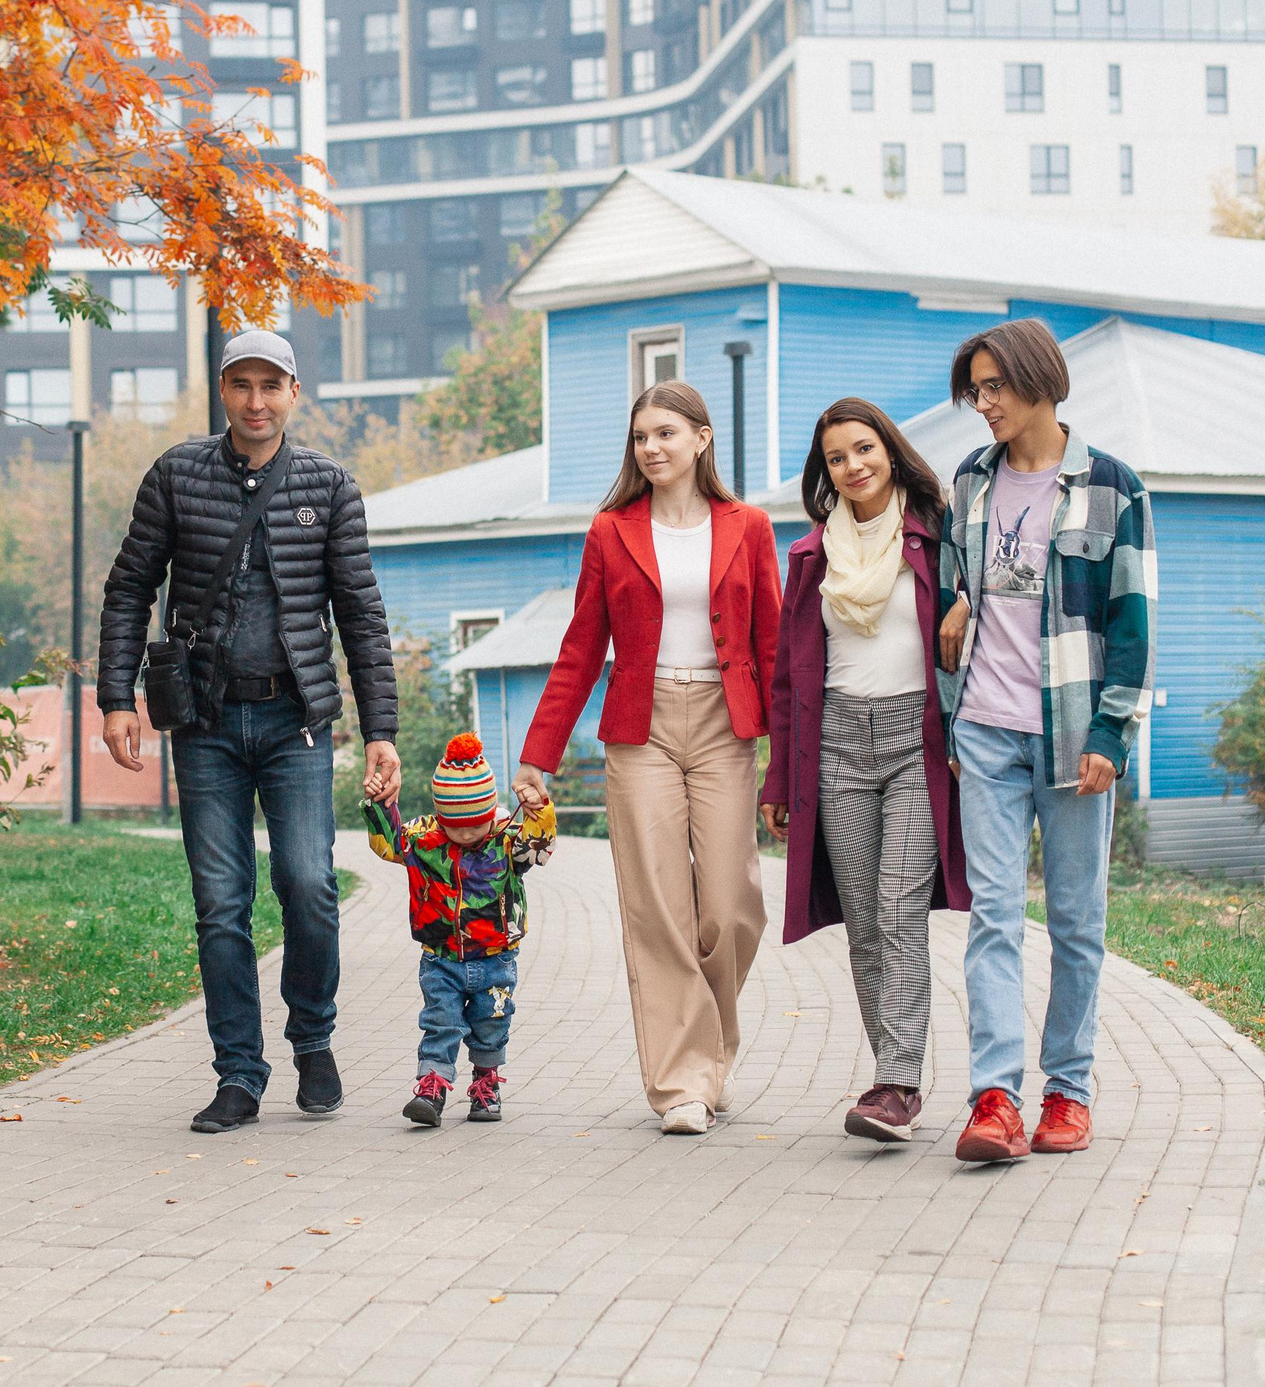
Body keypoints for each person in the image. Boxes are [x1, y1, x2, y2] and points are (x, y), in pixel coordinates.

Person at [97, 328, 401, 1134]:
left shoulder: (329, 486)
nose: (257, 401)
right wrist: (116, 699)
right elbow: (129, 587)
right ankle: (238, 1072)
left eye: (272, 385)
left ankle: (314, 1041)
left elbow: (361, 614)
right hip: (204, 722)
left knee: (308, 886)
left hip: (295, 720)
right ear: (222, 392)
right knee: (220, 902)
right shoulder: (175, 475)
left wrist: (382, 728)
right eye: (242, 385)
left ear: (294, 392)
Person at [511, 381, 780, 1135]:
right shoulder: (611, 531)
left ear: (702, 438)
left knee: (729, 909)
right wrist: (540, 753)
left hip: (728, 728)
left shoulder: (748, 526)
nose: (652, 448)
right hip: (643, 729)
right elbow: (580, 648)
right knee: (658, 909)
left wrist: (785, 762)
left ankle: (711, 1048)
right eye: (640, 437)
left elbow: (770, 647)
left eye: (666, 433)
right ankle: (682, 1084)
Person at [935, 319, 1155, 1165]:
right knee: (993, 917)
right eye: (975, 391)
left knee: (1075, 920)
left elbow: (1131, 622)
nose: (982, 405)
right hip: (985, 732)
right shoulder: (971, 482)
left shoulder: (1113, 487)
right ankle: (995, 1099)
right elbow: (968, 585)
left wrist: (1111, 731)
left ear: (1039, 383)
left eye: (994, 388)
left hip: (1071, 739)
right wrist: (959, 602)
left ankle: (1068, 1092)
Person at [759, 398, 967, 1144]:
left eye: (864, 449)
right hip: (837, 745)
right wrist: (780, 780)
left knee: (897, 911)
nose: (854, 466)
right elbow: (788, 678)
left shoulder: (938, 536)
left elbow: (977, 618)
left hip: (915, 740)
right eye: (838, 457)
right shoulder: (811, 556)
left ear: (890, 450)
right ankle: (891, 1081)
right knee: (863, 929)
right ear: (827, 472)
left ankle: (899, 1082)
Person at [361, 732, 556, 1127]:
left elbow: (540, 846)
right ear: (441, 817)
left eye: (475, 826)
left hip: (496, 958)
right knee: (441, 1021)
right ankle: (431, 1088)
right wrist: (381, 803)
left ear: (490, 813)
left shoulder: (504, 840)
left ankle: (486, 1086)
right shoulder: (423, 840)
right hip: (441, 959)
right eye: (457, 827)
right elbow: (387, 843)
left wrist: (538, 810)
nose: (467, 836)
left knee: (491, 1024)